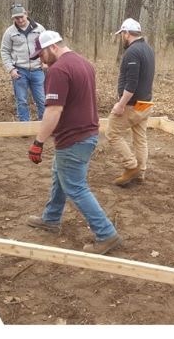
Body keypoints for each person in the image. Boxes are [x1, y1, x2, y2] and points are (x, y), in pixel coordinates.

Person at [25, 31, 122, 255]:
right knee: (60, 175)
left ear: (52, 48)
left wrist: (38, 142)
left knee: (76, 187)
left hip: (74, 137)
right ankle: (51, 219)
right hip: (86, 132)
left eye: (41, 54)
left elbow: (53, 109)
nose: (41, 59)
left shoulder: (58, 70)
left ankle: (106, 233)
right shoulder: (83, 63)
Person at [106, 18, 155, 186]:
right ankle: (140, 172)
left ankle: (131, 166)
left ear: (127, 33)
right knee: (140, 138)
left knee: (112, 133)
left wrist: (120, 105)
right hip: (146, 103)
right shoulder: (148, 49)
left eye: (122, 34)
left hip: (132, 104)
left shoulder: (132, 52)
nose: (122, 37)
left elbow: (131, 83)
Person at [0, 2, 46, 121]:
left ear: (26, 14)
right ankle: (24, 127)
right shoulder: (10, 32)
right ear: (13, 18)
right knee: (22, 101)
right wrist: (11, 69)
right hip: (20, 71)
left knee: (42, 100)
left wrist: (45, 62)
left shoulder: (39, 29)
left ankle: (44, 125)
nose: (20, 20)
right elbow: (4, 51)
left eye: (21, 16)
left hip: (37, 70)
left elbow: (46, 46)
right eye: (17, 18)